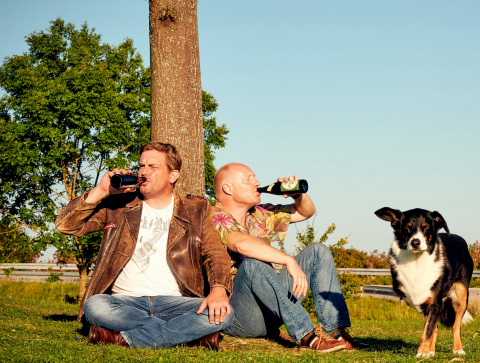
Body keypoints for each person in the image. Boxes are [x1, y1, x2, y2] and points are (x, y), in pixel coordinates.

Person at [55, 142, 233, 350]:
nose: (144, 172)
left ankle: (123, 338)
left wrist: (219, 290)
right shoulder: (118, 205)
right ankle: (186, 335)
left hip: (175, 303)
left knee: (225, 313)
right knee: (94, 306)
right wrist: (101, 191)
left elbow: (216, 255)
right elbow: (65, 226)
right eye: (142, 166)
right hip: (123, 302)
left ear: (172, 176)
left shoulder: (196, 210)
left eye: (153, 167)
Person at [209, 163, 370, 353]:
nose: (257, 182)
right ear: (228, 188)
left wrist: (297, 195)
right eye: (248, 179)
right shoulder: (212, 215)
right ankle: (307, 336)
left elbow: (305, 212)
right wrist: (288, 260)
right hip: (238, 316)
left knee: (318, 251)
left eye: (255, 177)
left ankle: (335, 332)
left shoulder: (260, 214)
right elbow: (239, 243)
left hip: (270, 308)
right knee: (252, 263)